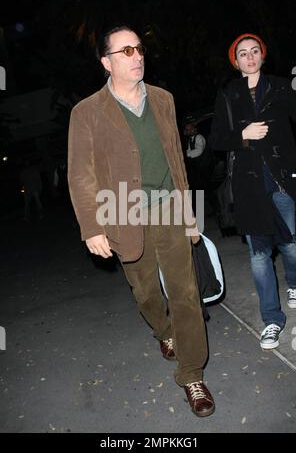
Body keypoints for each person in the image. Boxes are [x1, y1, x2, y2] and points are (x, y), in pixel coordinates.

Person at [68, 25, 215, 417]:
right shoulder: (86, 112)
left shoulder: (163, 99)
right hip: (121, 210)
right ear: (106, 62)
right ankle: (163, 331)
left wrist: (190, 213)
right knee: (146, 291)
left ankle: (192, 373)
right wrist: (92, 226)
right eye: (126, 50)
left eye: (140, 49)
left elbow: (176, 159)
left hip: (169, 205)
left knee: (186, 292)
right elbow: (80, 173)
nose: (137, 56)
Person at [209, 33, 296, 350]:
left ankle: (295, 283)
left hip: (281, 180)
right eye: (243, 53)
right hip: (248, 186)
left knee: (291, 245)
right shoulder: (228, 94)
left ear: (263, 55)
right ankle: (272, 321)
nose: (249, 57)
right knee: (259, 256)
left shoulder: (281, 86)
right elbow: (217, 139)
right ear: (236, 61)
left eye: (255, 51)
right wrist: (243, 135)